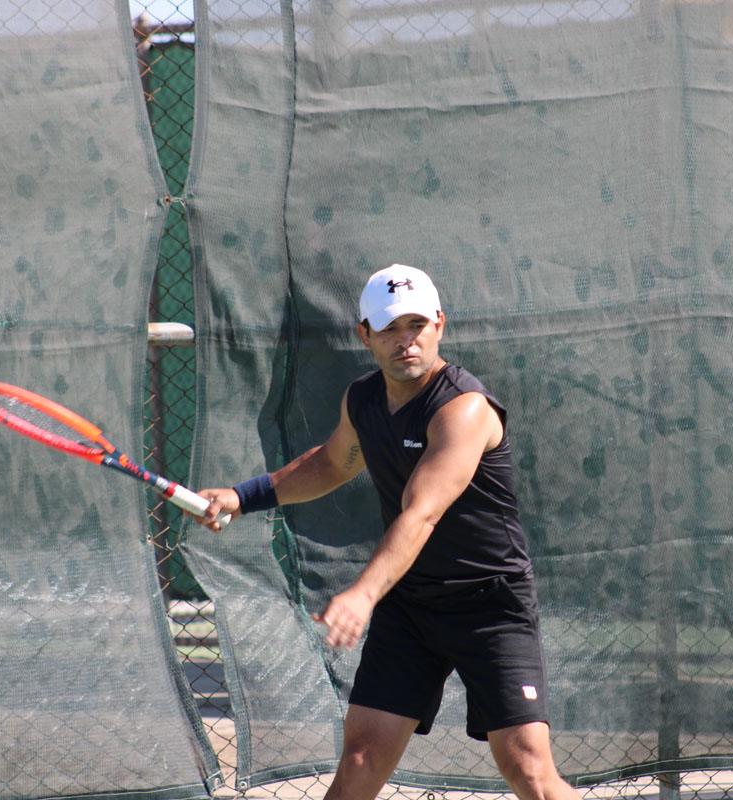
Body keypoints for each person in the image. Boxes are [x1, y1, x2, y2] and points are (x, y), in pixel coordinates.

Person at [194, 264, 581, 800]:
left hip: (489, 606)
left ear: (439, 324)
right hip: (411, 607)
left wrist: (362, 595)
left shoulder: (463, 409)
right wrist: (244, 497)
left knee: (528, 770)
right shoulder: (363, 399)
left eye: (417, 325)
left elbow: (421, 514)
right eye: (390, 328)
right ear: (366, 336)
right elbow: (332, 463)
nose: (406, 340)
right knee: (361, 760)